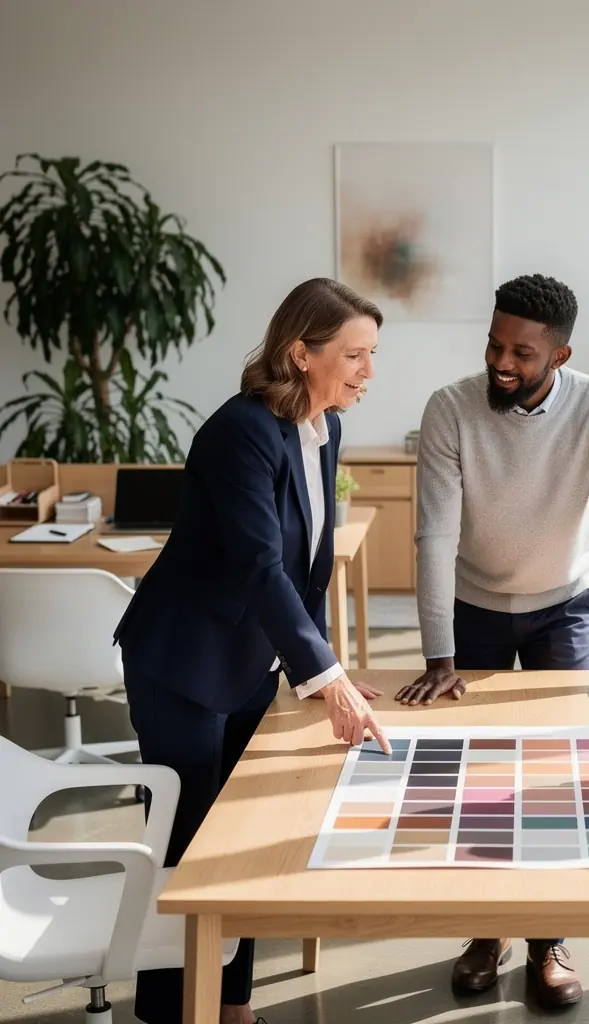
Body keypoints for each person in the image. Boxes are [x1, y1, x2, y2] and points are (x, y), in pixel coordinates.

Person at [113, 278, 391, 1024]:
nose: (368, 371)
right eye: (354, 355)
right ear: (300, 353)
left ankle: (230, 1005)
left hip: (247, 665)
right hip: (185, 664)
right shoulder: (239, 431)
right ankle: (172, 1012)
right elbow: (257, 566)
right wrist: (326, 680)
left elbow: (308, 563)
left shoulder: (324, 426)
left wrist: (319, 662)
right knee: (189, 844)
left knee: (240, 846)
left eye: (371, 355)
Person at [401, 273, 589, 1008]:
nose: (501, 362)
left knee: (556, 774)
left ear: (562, 354)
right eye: (493, 344)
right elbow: (434, 535)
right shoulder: (452, 408)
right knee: (479, 775)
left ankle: (549, 937)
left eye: (521, 351)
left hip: (561, 608)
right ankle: (489, 928)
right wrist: (438, 656)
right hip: (473, 603)